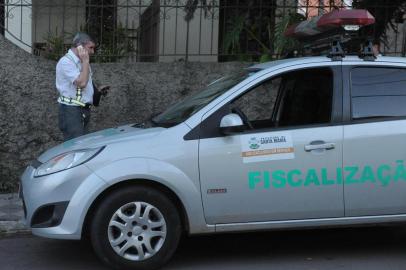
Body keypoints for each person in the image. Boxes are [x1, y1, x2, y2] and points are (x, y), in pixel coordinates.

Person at [56, 32, 109, 141]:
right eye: (91, 48)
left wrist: (97, 91)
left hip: (83, 111)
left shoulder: (83, 62)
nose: (92, 51)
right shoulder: (66, 62)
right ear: (80, 46)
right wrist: (85, 61)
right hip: (71, 111)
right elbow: (81, 83)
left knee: (82, 146)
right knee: (75, 149)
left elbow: (86, 84)